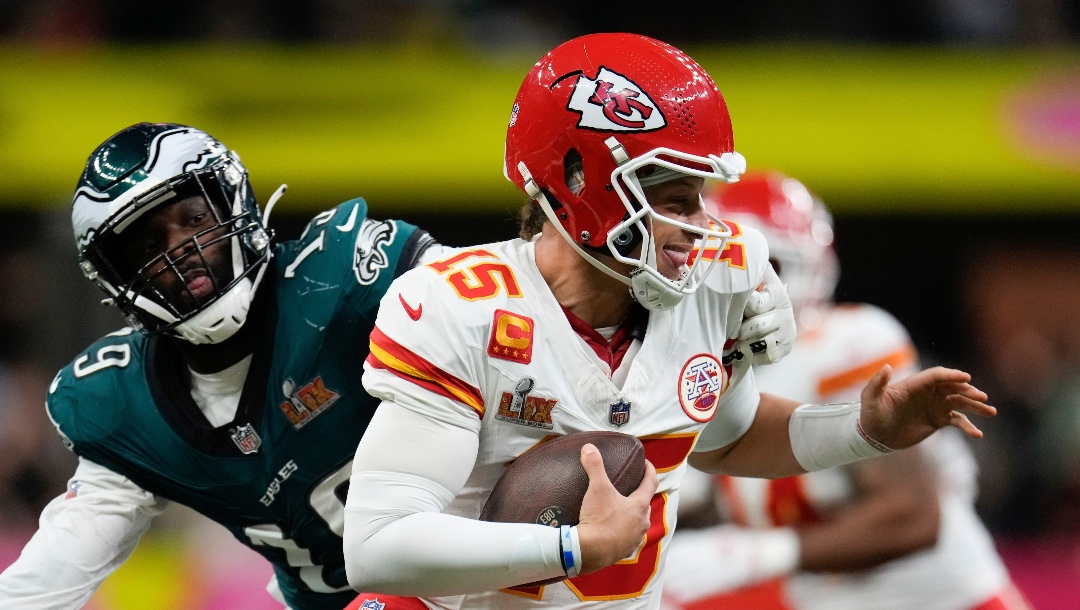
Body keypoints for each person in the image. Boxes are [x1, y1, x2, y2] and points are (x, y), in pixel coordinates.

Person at [340, 33, 994, 610]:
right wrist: (574, 547)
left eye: (701, 195)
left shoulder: (718, 281)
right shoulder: (464, 305)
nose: (699, 226)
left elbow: (725, 439)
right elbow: (377, 546)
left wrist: (861, 430)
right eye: (673, 196)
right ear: (576, 178)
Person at [0, 122, 445, 610]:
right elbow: (49, 576)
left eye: (192, 220)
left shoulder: (345, 277)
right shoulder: (126, 405)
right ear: (115, 279)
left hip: (474, 563)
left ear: (233, 201)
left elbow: (508, 316)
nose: (180, 253)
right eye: (149, 248)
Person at [661, 170, 1030, 610]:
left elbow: (914, 516)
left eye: (767, 268)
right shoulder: (698, 364)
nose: (741, 286)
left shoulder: (844, 344)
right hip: (821, 597)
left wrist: (761, 553)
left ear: (811, 271)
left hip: (940, 600)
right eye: (721, 265)